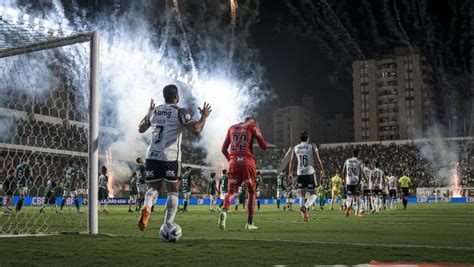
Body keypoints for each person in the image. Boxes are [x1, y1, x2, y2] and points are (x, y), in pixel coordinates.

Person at [137, 84, 211, 232]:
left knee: (154, 188)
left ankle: (146, 205)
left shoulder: (155, 110)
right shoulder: (179, 111)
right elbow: (196, 129)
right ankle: (168, 224)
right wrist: (204, 116)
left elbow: (141, 128)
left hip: (151, 155)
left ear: (164, 97)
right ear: (176, 97)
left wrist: (148, 112)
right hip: (169, 157)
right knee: (173, 190)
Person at [218, 116, 268, 230]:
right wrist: (256, 135)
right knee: (251, 192)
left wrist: (230, 160)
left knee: (231, 191)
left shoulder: (231, 128)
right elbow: (264, 146)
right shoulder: (252, 126)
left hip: (233, 162)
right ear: (252, 121)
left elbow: (223, 149)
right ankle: (249, 223)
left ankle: (224, 211)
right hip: (247, 162)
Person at [288, 131, 324, 222]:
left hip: (300, 173)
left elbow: (292, 161)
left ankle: (304, 216)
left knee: (302, 194)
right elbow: (317, 159)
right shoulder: (312, 146)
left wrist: (290, 173)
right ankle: (306, 206)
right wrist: (322, 169)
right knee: (314, 194)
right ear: (307, 138)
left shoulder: (295, 148)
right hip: (310, 173)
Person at [342, 149, 366, 218]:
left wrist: (345, 181)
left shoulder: (347, 160)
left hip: (349, 181)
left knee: (349, 197)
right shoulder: (359, 161)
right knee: (358, 197)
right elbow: (361, 173)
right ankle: (357, 213)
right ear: (358, 154)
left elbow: (343, 172)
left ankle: (348, 207)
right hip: (356, 181)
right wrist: (359, 183)